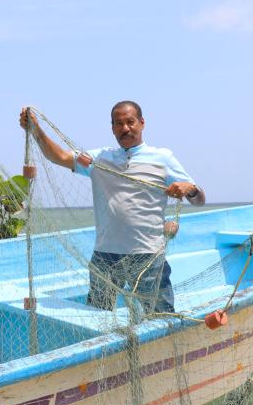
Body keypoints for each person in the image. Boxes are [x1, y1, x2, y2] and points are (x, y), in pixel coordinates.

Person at [19, 101, 205, 314]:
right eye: (119, 123)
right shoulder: (98, 159)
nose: (125, 128)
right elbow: (58, 156)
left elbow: (199, 199)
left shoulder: (163, 158)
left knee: (160, 315)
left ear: (142, 123)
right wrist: (35, 130)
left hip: (148, 255)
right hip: (104, 256)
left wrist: (190, 189)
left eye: (130, 122)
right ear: (112, 128)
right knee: (99, 316)